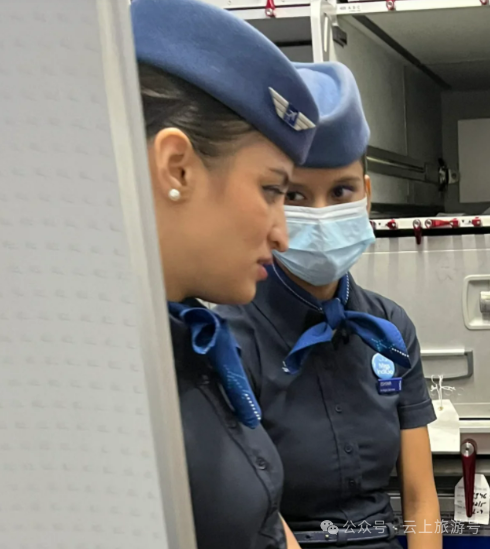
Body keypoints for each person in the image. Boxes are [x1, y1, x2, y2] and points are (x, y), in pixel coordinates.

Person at [216, 63, 441, 549]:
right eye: (295, 195)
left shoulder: (389, 327)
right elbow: (254, 514)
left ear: (367, 195)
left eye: (341, 191)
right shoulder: (229, 338)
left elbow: (420, 498)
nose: (320, 215)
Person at [131, 1, 319, 548]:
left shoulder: (191, 339)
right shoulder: (105, 386)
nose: (283, 235)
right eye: (271, 189)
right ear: (177, 168)